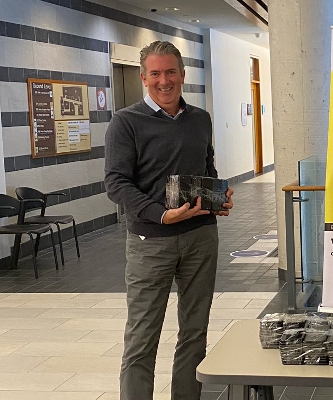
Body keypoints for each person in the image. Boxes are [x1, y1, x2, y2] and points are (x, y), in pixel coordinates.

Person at [104, 40, 233, 400]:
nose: (164, 81)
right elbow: (115, 183)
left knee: (195, 333)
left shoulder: (199, 119)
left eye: (171, 72)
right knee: (142, 337)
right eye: (156, 74)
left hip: (200, 237)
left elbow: (206, 167)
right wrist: (161, 214)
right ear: (144, 78)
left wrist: (217, 198)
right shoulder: (125, 122)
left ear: (183, 74)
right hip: (151, 242)